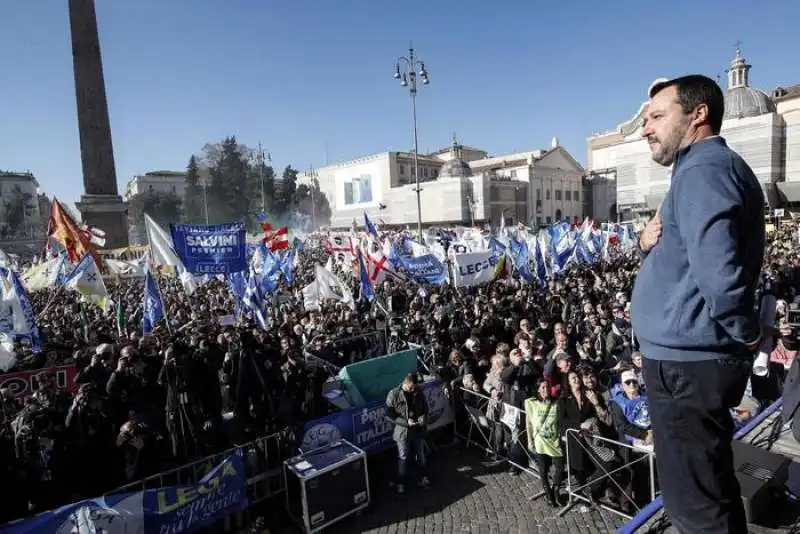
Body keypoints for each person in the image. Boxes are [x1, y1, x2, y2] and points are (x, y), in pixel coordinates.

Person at [631, 74, 766, 533]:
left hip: (687, 367)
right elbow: (691, 255)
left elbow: (718, 273)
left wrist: (747, 333)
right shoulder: (697, 170)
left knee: (694, 506)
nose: (645, 128)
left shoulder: (704, 171)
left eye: (656, 116)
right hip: (685, 362)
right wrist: (646, 245)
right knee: (707, 486)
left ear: (698, 115)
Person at [385, 373, 430, 494]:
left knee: (420, 454)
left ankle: (423, 477)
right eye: (411, 387)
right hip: (402, 431)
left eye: (415, 387)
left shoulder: (418, 391)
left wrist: (423, 417)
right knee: (403, 456)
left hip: (417, 429)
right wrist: (406, 422)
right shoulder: (394, 393)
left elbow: (425, 406)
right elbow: (389, 415)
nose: (413, 389)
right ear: (405, 383)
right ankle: (401, 483)